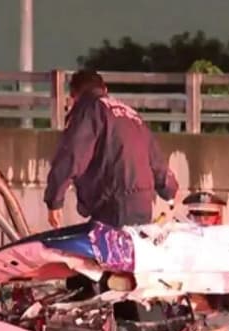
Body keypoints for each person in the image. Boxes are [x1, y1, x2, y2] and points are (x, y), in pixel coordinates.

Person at [44, 69, 178, 229]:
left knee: (107, 245)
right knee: (132, 243)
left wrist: (54, 200)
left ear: (74, 95)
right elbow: (156, 160)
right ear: (105, 89)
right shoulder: (131, 114)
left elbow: (72, 155)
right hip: (142, 202)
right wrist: (171, 190)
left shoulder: (89, 109)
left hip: (113, 202)